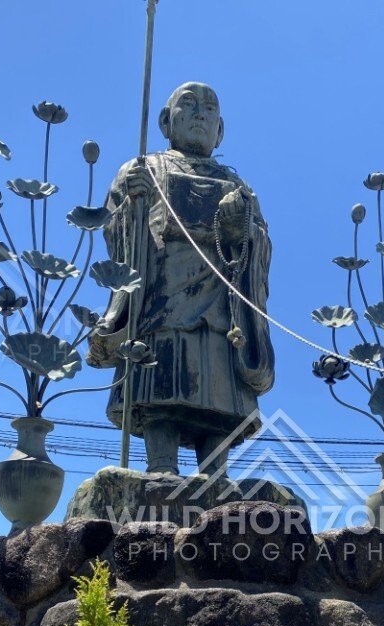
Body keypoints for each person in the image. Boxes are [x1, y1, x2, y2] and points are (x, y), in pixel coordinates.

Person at [87, 82, 275, 477]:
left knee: (219, 396)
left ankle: (217, 476)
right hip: (163, 299)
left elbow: (260, 246)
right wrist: (133, 209)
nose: (199, 114)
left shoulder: (239, 186)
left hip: (223, 309)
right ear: (165, 120)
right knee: (161, 388)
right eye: (188, 105)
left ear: (220, 130)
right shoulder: (145, 169)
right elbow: (114, 229)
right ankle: (160, 468)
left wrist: (244, 231)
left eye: (209, 109)